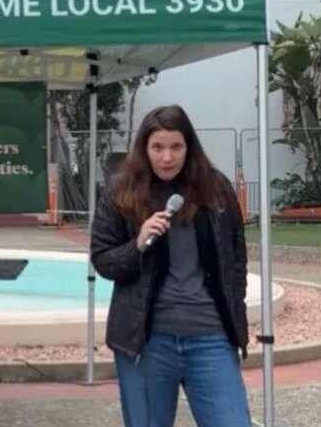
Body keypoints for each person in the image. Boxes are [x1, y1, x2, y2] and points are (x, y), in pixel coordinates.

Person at [91, 105, 251, 427]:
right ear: (144, 149)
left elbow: (236, 260)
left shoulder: (216, 189)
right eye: (158, 147)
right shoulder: (120, 192)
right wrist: (137, 244)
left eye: (176, 146)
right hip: (147, 342)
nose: (167, 157)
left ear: (189, 147)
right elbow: (104, 260)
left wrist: (233, 308)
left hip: (211, 337)